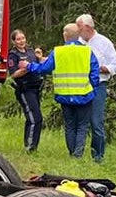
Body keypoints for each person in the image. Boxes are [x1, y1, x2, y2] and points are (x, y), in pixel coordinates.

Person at [23, 23, 100, 158]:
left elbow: (44, 69)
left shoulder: (57, 52)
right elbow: (94, 73)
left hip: (64, 95)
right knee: (82, 126)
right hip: (84, 94)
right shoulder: (87, 51)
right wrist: (93, 89)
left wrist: (28, 66)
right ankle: (78, 154)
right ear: (79, 36)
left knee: (70, 125)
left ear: (65, 36)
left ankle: (72, 152)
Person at [76, 13, 116, 163]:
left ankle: (98, 156)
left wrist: (104, 68)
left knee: (96, 121)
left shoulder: (104, 43)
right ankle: (77, 154)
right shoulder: (78, 42)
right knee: (80, 121)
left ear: (88, 27)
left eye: (79, 27)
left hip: (98, 85)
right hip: (81, 85)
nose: (78, 30)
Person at [6, 29, 44, 152]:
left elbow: (39, 64)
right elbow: (13, 74)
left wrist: (39, 58)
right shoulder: (13, 55)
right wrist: (26, 69)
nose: (21, 41)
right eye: (18, 39)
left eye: (23, 38)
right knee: (35, 118)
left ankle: (31, 144)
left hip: (36, 87)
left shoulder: (31, 52)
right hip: (25, 89)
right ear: (13, 41)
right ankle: (31, 147)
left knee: (33, 117)